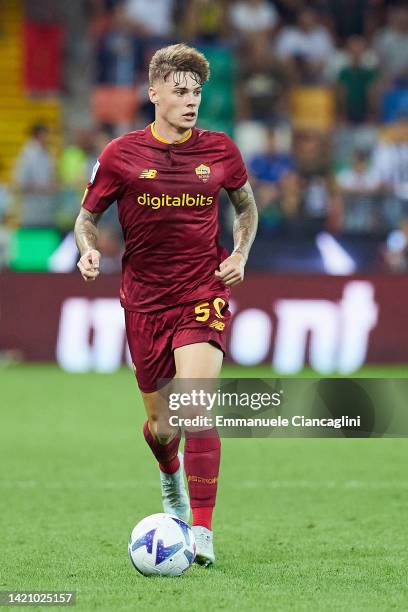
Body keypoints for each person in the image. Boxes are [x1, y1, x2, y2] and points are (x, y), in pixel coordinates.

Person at [74, 43, 258, 566]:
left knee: (195, 404)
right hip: (145, 301)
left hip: (202, 290)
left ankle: (201, 530)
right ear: (153, 94)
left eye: (196, 92)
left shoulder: (221, 151)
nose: (191, 100)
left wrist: (241, 251)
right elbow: (86, 219)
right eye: (179, 92)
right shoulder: (120, 155)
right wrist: (88, 250)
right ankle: (169, 473)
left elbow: (246, 209)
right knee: (162, 425)